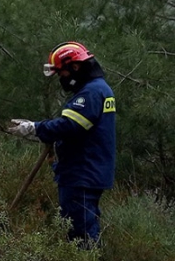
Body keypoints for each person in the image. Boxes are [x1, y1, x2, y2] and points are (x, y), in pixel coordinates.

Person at [8, 41, 116, 250]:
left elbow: (70, 126)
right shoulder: (98, 89)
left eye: (62, 73)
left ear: (75, 67)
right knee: (82, 225)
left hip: (83, 173)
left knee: (81, 229)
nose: (61, 78)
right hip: (88, 171)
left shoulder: (90, 93)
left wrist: (35, 128)